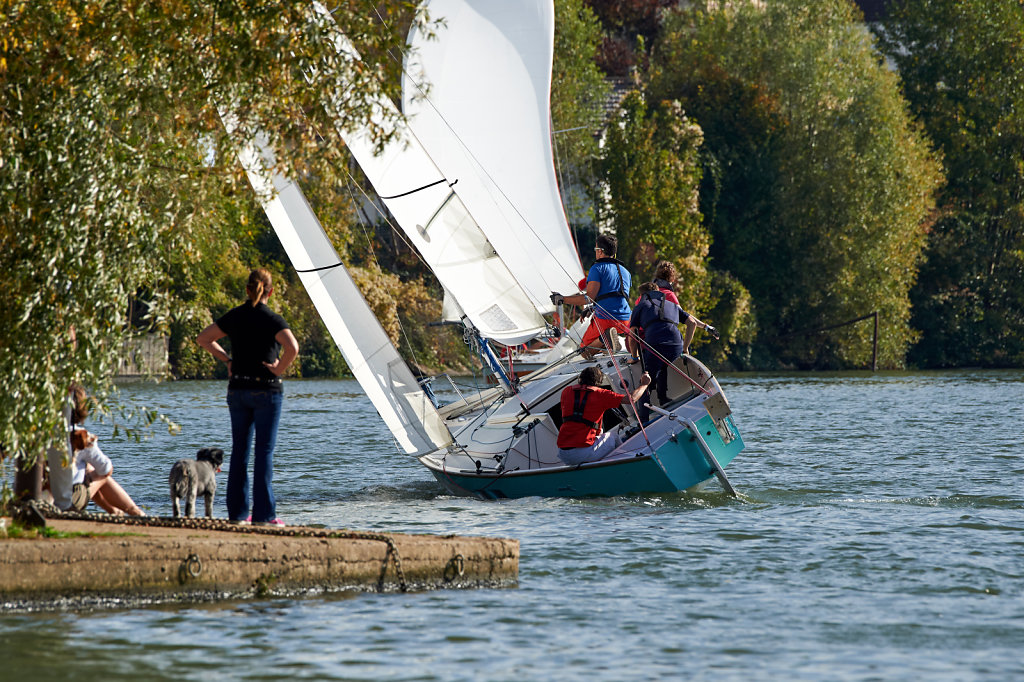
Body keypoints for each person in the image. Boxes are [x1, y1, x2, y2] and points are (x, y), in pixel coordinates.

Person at [197, 268, 299, 526]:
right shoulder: (273, 320)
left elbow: (204, 338)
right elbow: (292, 348)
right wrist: (278, 369)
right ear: (270, 291)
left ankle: (238, 516)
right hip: (266, 390)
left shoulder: (235, 316)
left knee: (240, 451)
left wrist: (227, 361)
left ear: (248, 289)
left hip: (238, 390)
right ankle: (264, 516)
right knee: (264, 453)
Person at [45, 385, 145, 515]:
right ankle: (135, 512)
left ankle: (114, 511)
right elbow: (106, 469)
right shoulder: (81, 438)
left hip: (46, 496)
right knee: (101, 475)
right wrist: (90, 477)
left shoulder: (48, 434)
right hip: (68, 501)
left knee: (89, 470)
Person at [628, 282, 718, 422]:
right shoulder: (672, 305)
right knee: (662, 363)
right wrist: (685, 347)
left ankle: (643, 420)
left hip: (655, 346)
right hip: (676, 346)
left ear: (643, 295)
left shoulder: (641, 306)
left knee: (646, 380)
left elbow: (632, 336)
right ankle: (663, 398)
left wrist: (634, 357)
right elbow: (692, 323)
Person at [550, 235, 632, 354]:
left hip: (607, 319)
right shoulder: (626, 272)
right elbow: (615, 296)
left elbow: (588, 298)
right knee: (601, 346)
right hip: (626, 320)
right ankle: (607, 344)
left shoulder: (597, 268)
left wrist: (562, 299)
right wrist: (592, 308)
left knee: (584, 350)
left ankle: (605, 339)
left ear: (600, 251)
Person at [556, 366, 651, 466]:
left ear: (581, 378)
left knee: (599, 433)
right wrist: (644, 384)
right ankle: (628, 462)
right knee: (613, 437)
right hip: (582, 453)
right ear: (599, 382)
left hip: (563, 453)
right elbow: (631, 399)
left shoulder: (566, 391)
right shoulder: (600, 394)